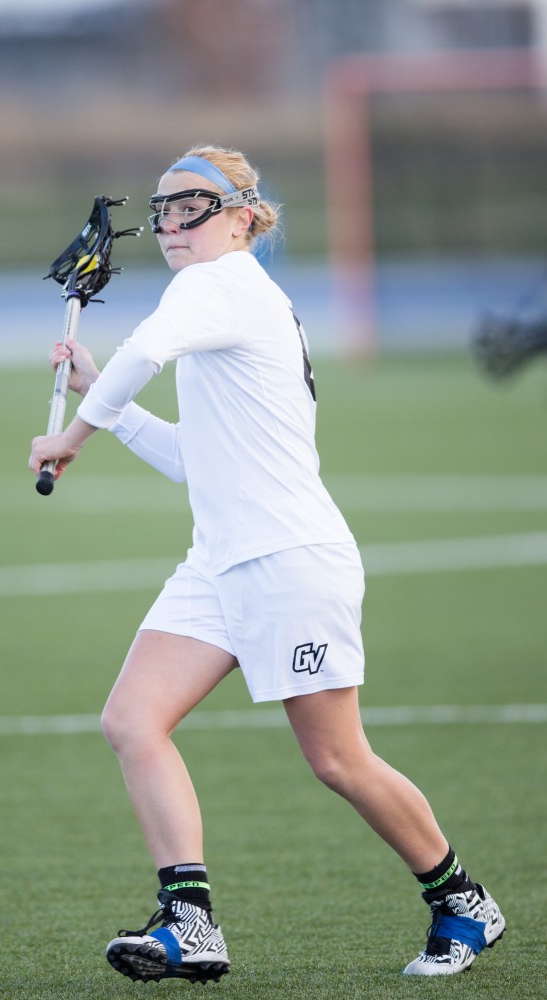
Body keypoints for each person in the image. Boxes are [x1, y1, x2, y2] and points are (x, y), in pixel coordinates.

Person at [29, 145, 505, 983]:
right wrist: (103, 392)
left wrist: (73, 435)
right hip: (219, 562)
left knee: (337, 761)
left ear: (243, 215)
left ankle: (459, 899)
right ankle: (190, 923)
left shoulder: (220, 286)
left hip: (288, 561)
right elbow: (191, 458)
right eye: (163, 208)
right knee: (132, 721)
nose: (171, 223)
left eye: (192, 207)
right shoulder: (225, 302)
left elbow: (144, 351)